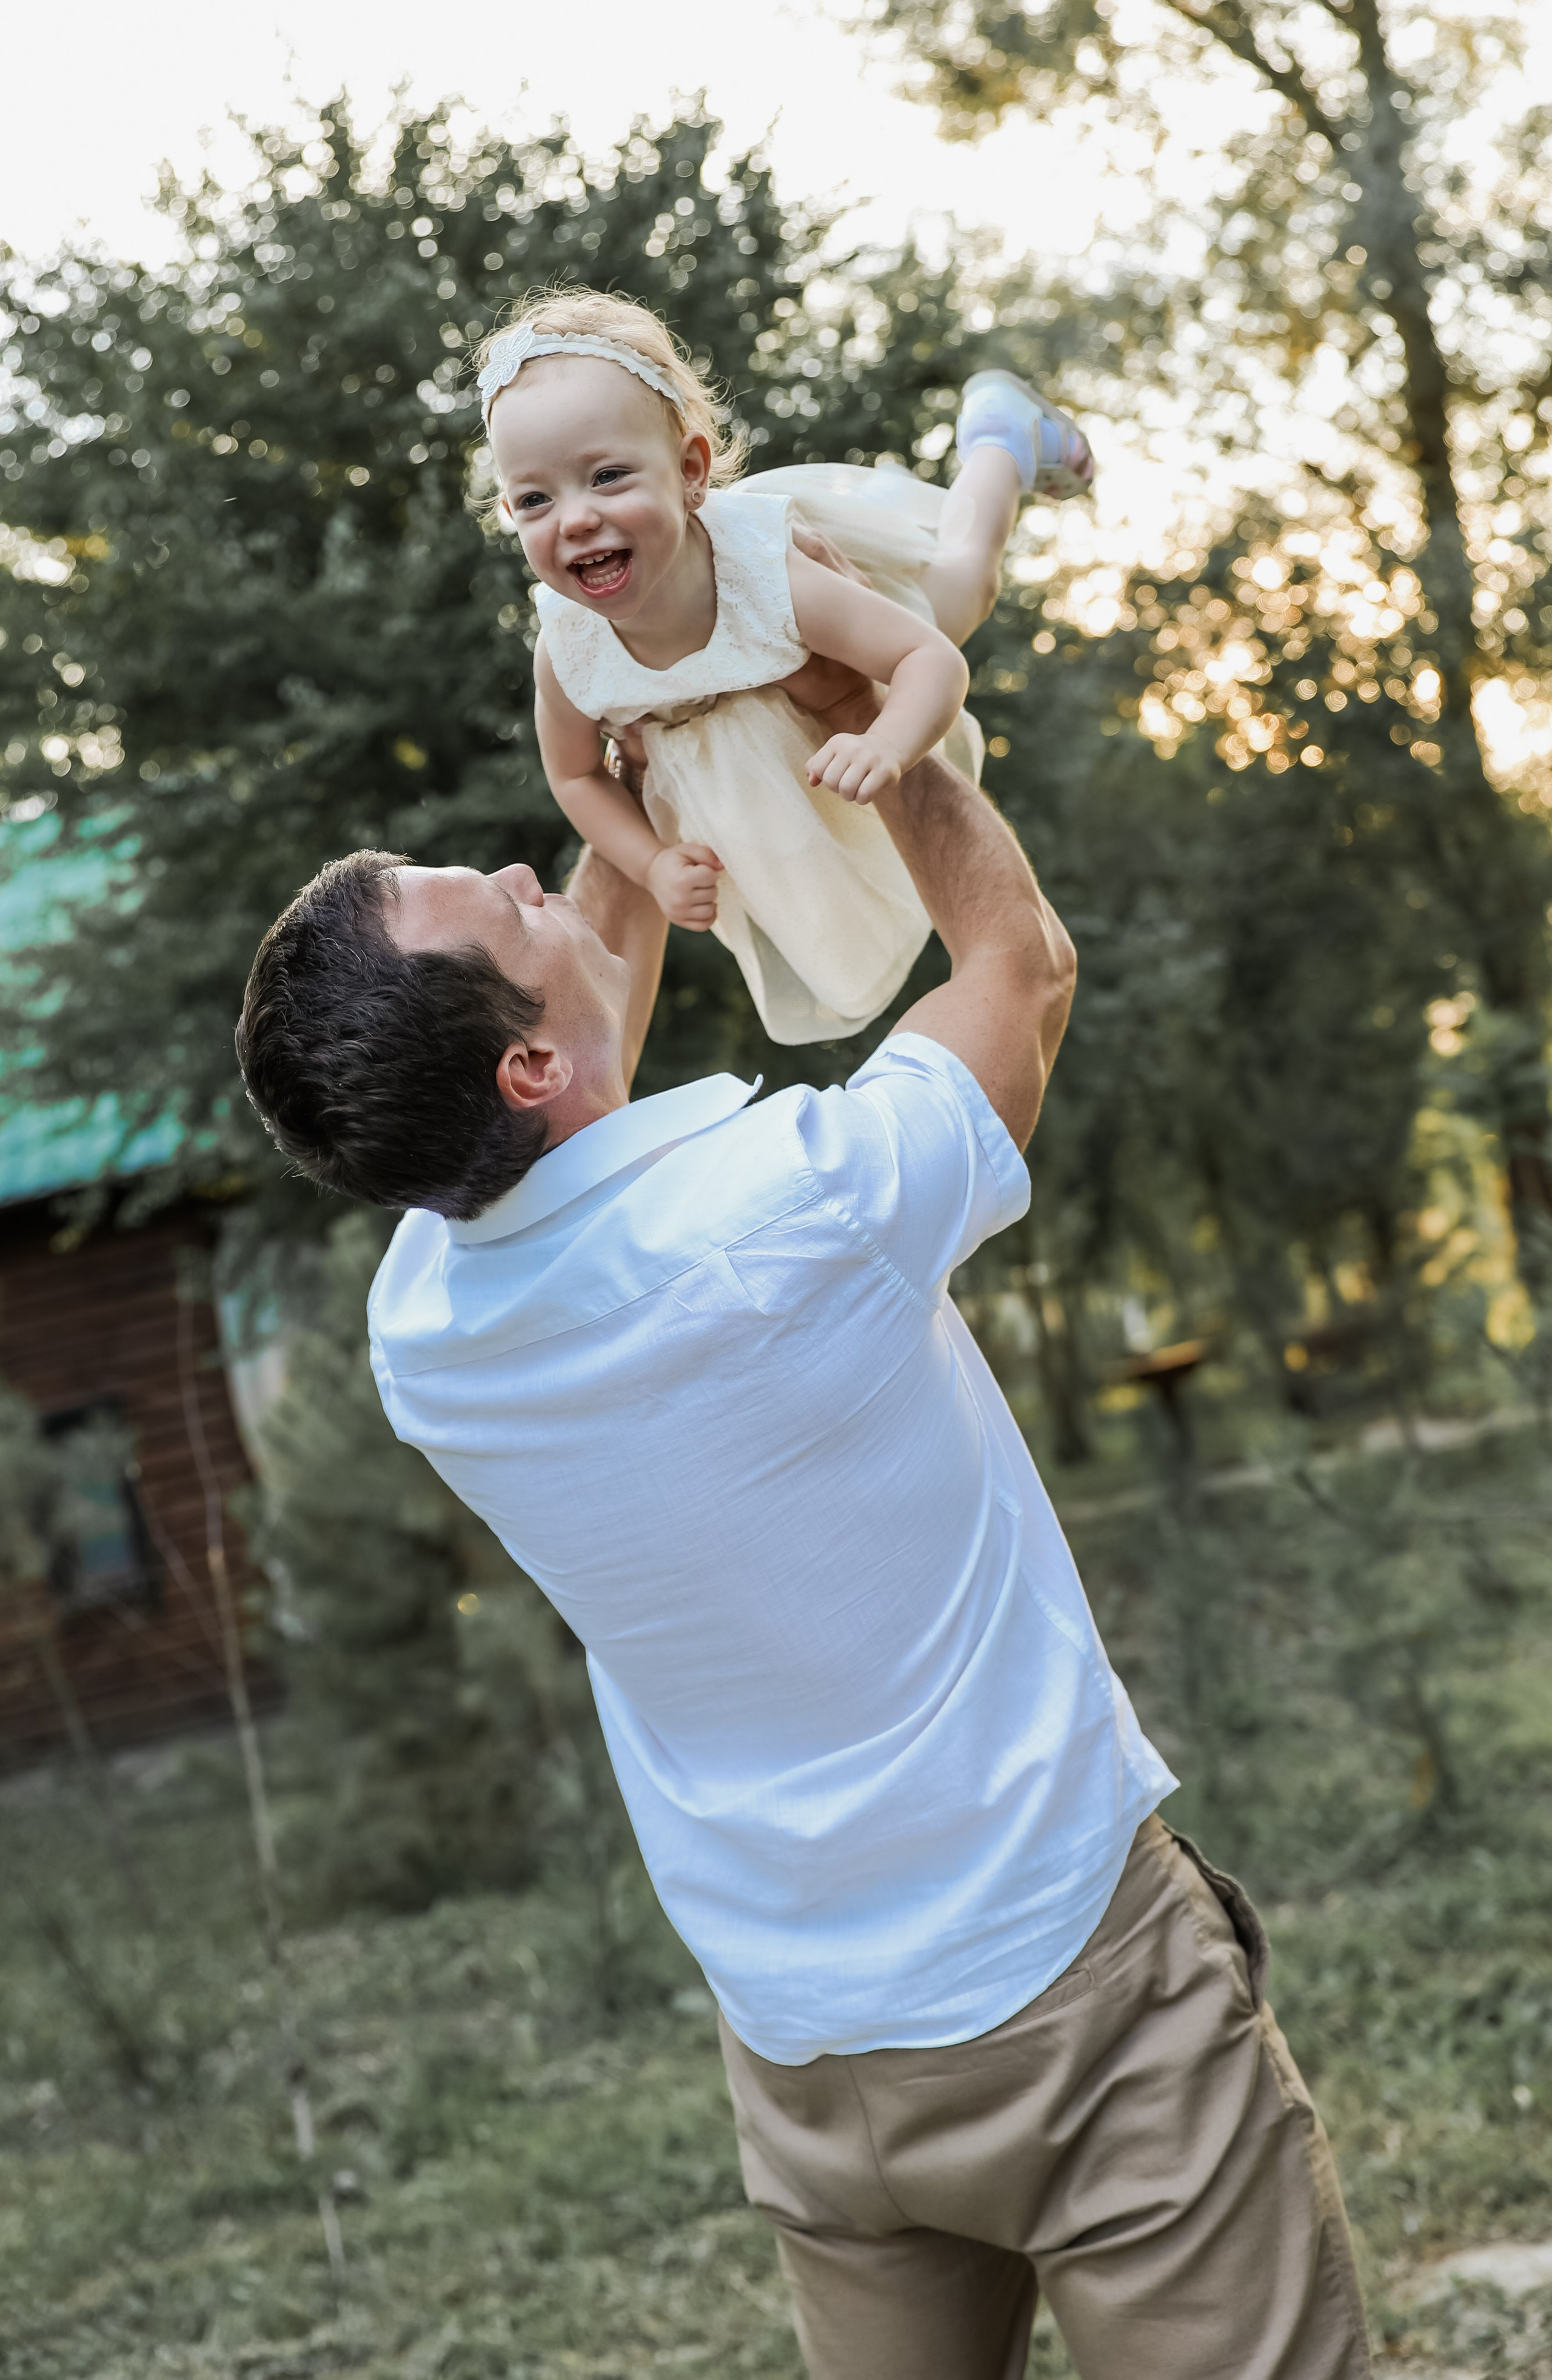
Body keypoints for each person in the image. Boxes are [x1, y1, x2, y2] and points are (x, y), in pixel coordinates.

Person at [236, 635, 1372, 2378]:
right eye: (496, 899)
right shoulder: (797, 1206)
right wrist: (880, 733)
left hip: (808, 2053)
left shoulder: (428, 1326)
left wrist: (647, 771)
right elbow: (1022, 961)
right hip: (1069, 1981)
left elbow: (563, 1062)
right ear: (523, 1070)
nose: (532, 870)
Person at [481, 287, 1092, 1043]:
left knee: (967, 582)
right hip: (743, 754)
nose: (575, 517)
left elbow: (924, 659)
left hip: (851, 625)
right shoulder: (567, 646)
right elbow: (576, 776)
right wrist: (651, 864)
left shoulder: (769, 580)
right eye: (535, 498)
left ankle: (1001, 441)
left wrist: (885, 742)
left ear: (692, 471)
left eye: (607, 476)